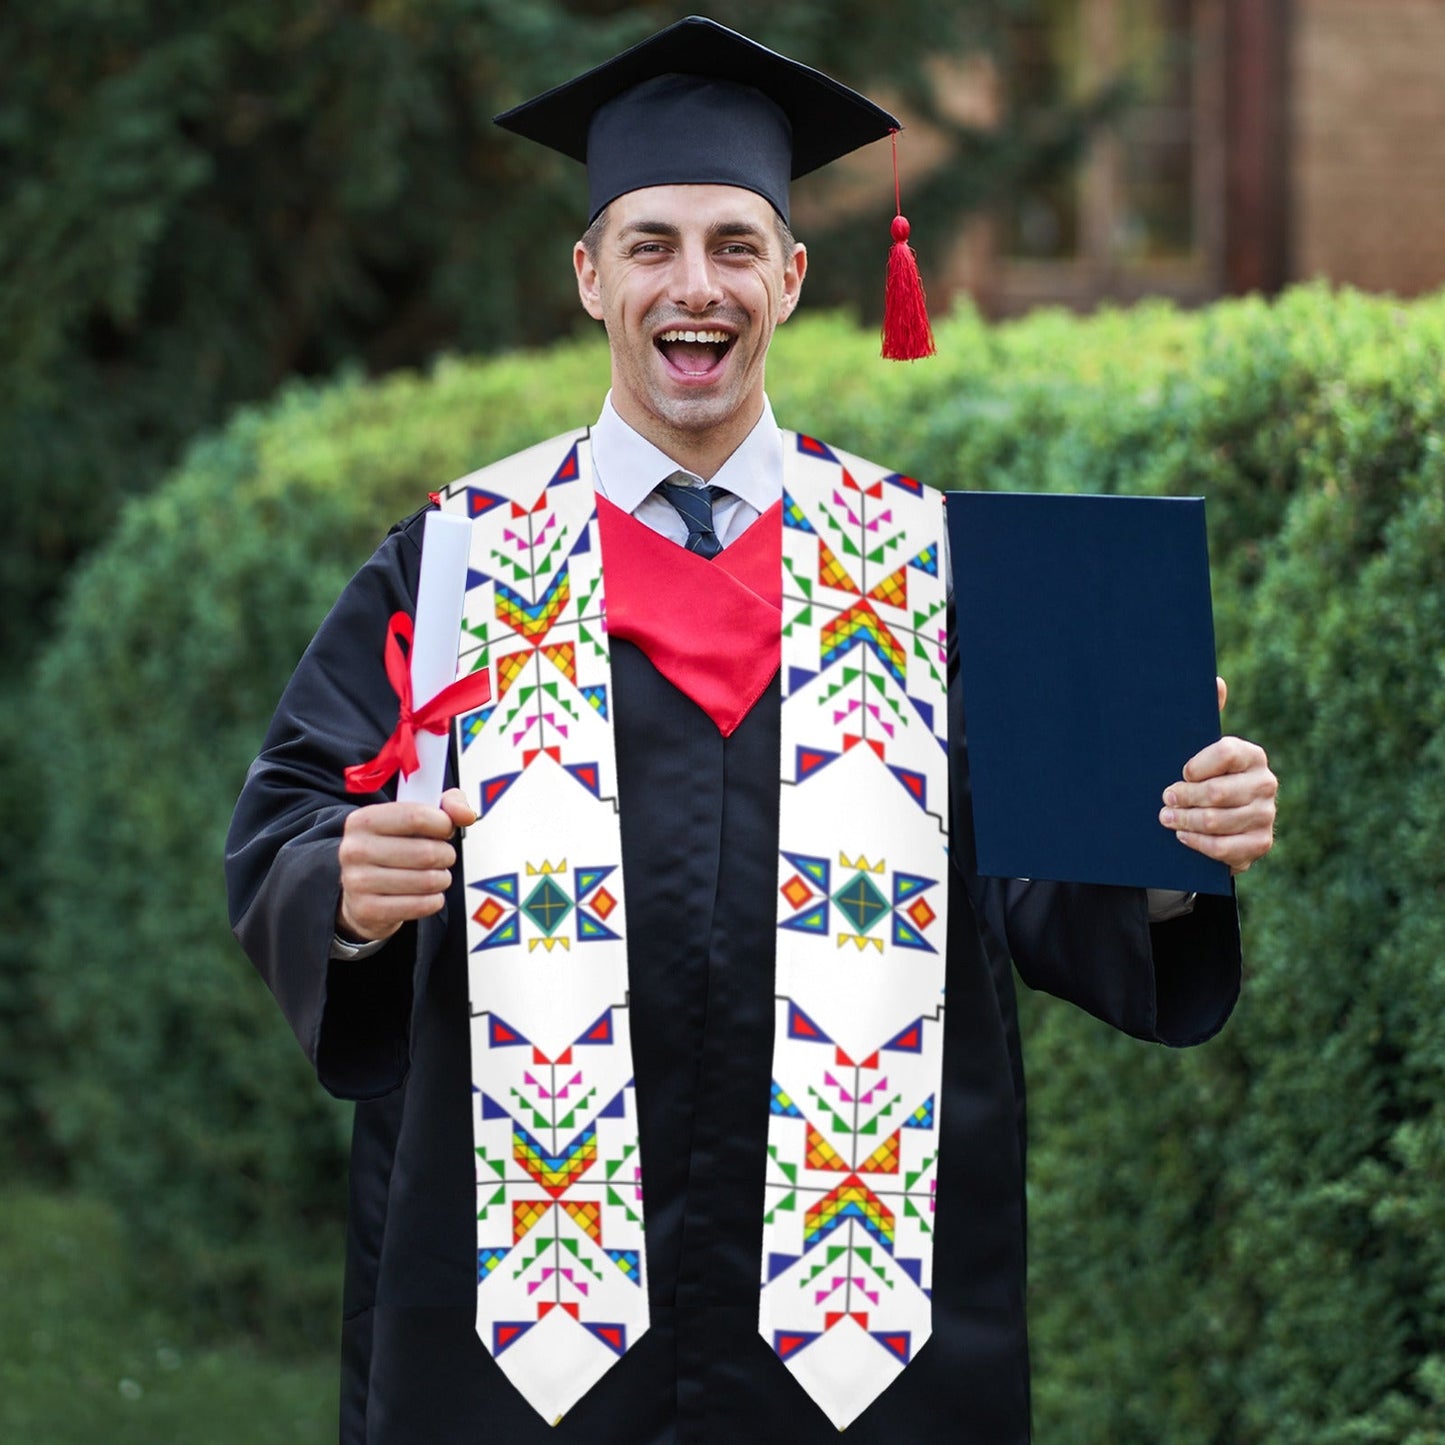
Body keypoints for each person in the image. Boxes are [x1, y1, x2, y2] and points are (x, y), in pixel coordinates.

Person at [225, 17, 1277, 1445]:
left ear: (789, 276)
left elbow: (1037, 883)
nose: (692, 285)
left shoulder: (922, 563)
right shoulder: (459, 563)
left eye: (732, 244)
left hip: (860, 1321)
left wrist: (1165, 842)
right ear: (589, 275)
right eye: (649, 244)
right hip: (523, 1328)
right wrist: (342, 888)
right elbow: (291, 817)